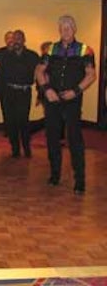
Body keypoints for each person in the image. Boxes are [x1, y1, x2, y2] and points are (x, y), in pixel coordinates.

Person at [36, 15, 96, 195]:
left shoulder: (85, 50)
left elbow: (91, 75)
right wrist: (46, 89)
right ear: (59, 30)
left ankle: (80, 181)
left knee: (75, 139)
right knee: (52, 137)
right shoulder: (50, 49)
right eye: (62, 27)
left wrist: (75, 91)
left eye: (69, 27)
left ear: (75, 29)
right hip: (52, 99)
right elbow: (39, 70)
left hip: (72, 100)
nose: (66, 30)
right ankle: (55, 175)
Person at [0, 30, 39, 158]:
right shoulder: (5, 56)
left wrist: (41, 93)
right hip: (8, 92)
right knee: (11, 122)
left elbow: (41, 74)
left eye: (19, 39)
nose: (16, 41)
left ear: (24, 40)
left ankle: (26, 147)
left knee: (23, 121)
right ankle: (15, 149)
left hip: (24, 93)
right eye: (14, 39)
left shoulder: (32, 56)